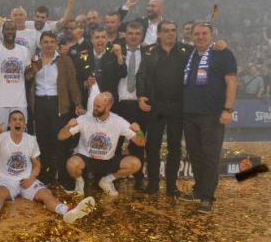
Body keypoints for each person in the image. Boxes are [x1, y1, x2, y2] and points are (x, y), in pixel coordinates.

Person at [0, 111, 95, 225]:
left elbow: (37, 164)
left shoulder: (31, 140)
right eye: (14, 120)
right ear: (9, 124)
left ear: (24, 124)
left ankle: (67, 211)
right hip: (7, 180)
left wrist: (31, 178)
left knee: (46, 194)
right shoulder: (1, 138)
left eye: (20, 120)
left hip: (27, 179)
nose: (17, 122)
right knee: (0, 193)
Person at [180, 22, 237, 213]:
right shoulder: (189, 54)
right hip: (190, 113)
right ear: (191, 36)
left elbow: (231, 82)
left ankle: (207, 197)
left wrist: (228, 109)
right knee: (195, 154)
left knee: (210, 156)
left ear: (212, 35)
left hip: (212, 114)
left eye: (204, 33)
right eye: (197, 34)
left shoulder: (223, 54)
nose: (200, 37)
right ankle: (198, 190)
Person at [136, 20, 191, 196]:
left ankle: (171, 186)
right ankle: (153, 183)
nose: (170, 33)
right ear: (158, 34)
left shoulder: (186, 51)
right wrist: (141, 96)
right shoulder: (149, 51)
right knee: (152, 145)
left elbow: (206, 53)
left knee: (175, 147)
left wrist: (220, 45)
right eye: (166, 30)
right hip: (156, 106)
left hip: (177, 106)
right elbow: (141, 75)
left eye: (173, 30)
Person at [26, 31, 84, 189]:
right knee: (43, 142)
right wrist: (33, 69)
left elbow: (72, 83)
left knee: (61, 142)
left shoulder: (65, 60)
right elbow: (27, 78)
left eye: (52, 42)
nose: (49, 45)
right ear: (40, 44)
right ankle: (46, 175)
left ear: (56, 43)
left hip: (58, 104)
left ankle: (64, 177)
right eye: (45, 42)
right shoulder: (34, 60)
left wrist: (78, 103)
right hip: (40, 104)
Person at [58, 92, 145, 197]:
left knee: (136, 163)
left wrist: (139, 131)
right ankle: (80, 183)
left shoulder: (118, 121)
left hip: (108, 160)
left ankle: (107, 181)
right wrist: (68, 126)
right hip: (87, 158)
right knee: (72, 164)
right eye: (94, 105)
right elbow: (61, 136)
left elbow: (141, 142)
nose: (94, 108)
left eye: (98, 106)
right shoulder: (85, 118)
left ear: (108, 107)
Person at [113, 21, 149, 190]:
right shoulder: (115, 51)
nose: (133, 37)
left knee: (138, 143)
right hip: (119, 105)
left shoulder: (149, 53)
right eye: (130, 33)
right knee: (116, 143)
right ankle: (112, 176)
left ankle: (139, 177)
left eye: (137, 34)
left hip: (140, 104)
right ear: (125, 35)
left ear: (142, 36)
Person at [0, 20, 31, 130]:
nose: (10, 31)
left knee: (19, 134)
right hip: (0, 101)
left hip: (19, 101)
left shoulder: (24, 51)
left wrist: (34, 70)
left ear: (16, 31)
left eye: (13, 29)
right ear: (3, 31)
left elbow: (28, 75)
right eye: (7, 29)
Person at [74, 27, 127, 110]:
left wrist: (119, 56)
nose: (100, 40)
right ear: (92, 40)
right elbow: (75, 81)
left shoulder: (114, 55)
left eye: (103, 37)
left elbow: (123, 74)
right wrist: (86, 84)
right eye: (97, 37)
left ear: (107, 40)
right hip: (88, 102)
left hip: (109, 103)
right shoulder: (82, 56)